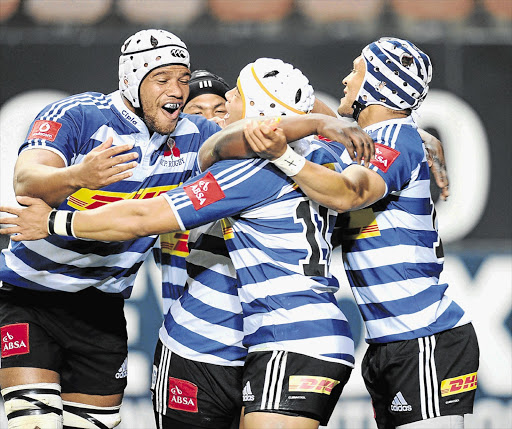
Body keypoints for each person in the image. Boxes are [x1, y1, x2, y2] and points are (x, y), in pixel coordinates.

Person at [0, 58, 382, 429]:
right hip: (282, 338)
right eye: (198, 110)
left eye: (229, 99)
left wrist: (53, 221)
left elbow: (142, 217)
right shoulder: (328, 157)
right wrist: (331, 122)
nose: (215, 114)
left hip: (253, 337)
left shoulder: (241, 171)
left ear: (258, 115)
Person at [237, 37, 479, 429]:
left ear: (378, 85)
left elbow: (349, 193)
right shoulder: (381, 141)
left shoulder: (395, 138)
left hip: (424, 338)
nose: (346, 79)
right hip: (393, 341)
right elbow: (313, 111)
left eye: (356, 70)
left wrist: (281, 154)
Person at [0, 28, 224, 429]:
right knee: (33, 424)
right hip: (29, 298)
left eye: (183, 79)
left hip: (102, 309)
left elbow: (255, 134)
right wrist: (78, 175)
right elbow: (26, 180)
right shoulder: (77, 114)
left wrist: (323, 122)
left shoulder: (193, 134)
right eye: (162, 79)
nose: (176, 91)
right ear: (130, 81)